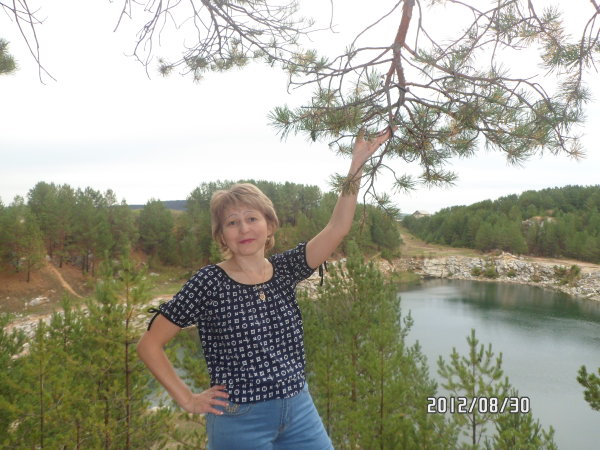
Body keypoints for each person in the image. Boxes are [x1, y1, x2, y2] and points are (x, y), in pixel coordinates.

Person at [137, 127, 393, 449]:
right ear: (221, 235)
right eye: (232, 222)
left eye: (252, 218)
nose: (243, 228)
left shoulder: (285, 269)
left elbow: (338, 227)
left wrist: (356, 165)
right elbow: (149, 345)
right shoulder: (208, 283)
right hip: (239, 419)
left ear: (269, 225)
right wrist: (187, 398)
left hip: (299, 410)